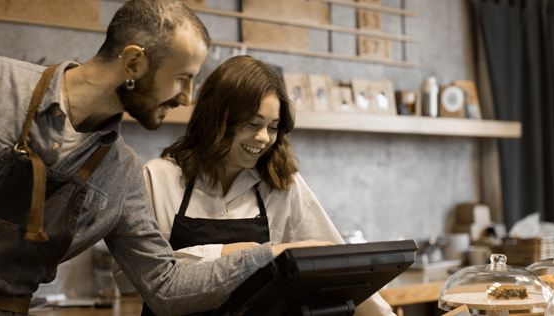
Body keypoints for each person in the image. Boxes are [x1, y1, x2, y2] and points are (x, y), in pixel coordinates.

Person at [0, 1, 326, 315]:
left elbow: (163, 286)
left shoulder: (121, 173)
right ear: (133, 62)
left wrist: (268, 255)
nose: (187, 97)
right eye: (183, 78)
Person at [123, 55, 396, 316]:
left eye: (273, 127)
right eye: (253, 123)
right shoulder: (158, 178)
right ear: (217, 118)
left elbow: (337, 269)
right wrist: (255, 254)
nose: (263, 137)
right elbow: (134, 278)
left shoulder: (281, 184)